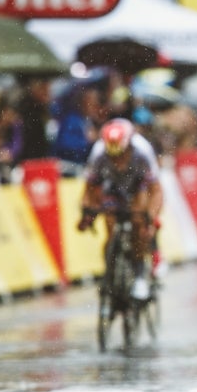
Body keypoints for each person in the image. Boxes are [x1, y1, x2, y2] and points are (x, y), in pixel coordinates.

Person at [77, 118, 163, 301]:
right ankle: (110, 273)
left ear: (129, 146)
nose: (117, 160)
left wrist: (150, 216)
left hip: (138, 187)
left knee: (138, 223)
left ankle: (140, 275)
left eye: (121, 155)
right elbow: (90, 188)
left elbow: (156, 191)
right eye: (112, 156)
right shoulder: (99, 153)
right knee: (110, 225)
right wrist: (87, 212)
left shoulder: (142, 151)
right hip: (113, 186)